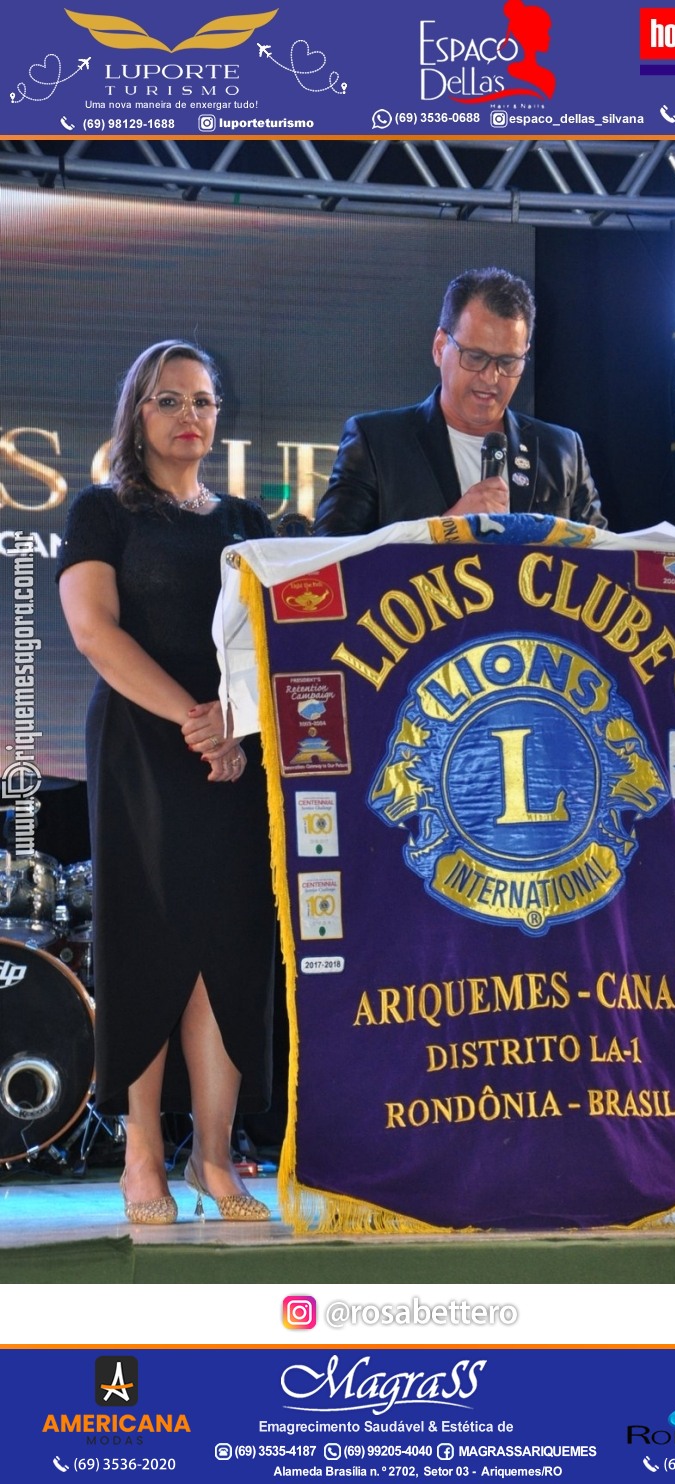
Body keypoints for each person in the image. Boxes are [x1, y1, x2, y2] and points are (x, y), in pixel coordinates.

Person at [57, 340, 275, 1224]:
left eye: (205, 401)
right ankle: (143, 1153)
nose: (192, 416)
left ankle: (214, 1160)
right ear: (137, 414)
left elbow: (276, 646)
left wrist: (234, 721)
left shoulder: (248, 523)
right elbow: (92, 632)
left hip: (233, 753)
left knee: (226, 950)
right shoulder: (102, 510)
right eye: (170, 400)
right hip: (143, 751)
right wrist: (194, 715)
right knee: (150, 946)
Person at [313, 266, 605, 535]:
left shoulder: (563, 452)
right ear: (440, 347)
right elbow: (328, 562)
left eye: (508, 361)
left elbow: (608, 565)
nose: (491, 378)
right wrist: (449, 530)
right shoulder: (376, 443)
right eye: (475, 357)